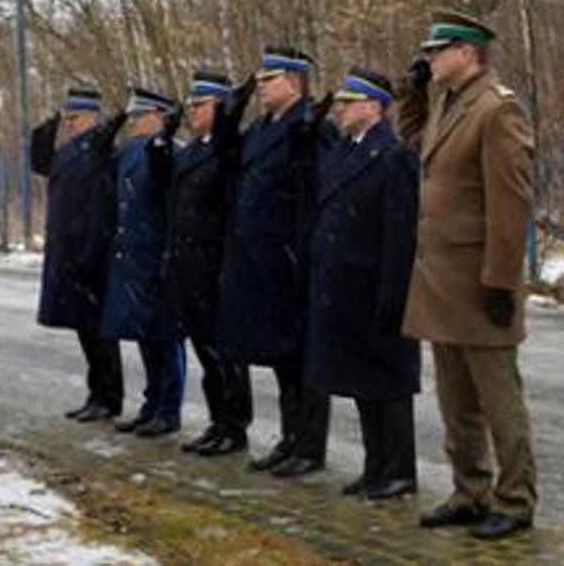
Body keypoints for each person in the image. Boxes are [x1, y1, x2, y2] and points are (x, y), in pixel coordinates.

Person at [396, 11, 538, 541]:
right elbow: (417, 145)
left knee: (500, 402)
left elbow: (511, 203)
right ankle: (470, 491)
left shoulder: (496, 110)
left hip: (480, 283)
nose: (429, 59)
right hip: (441, 283)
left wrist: (500, 281)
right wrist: (412, 95)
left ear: (467, 52)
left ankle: (516, 499)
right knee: (456, 404)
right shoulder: (447, 103)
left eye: (437, 51)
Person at [218, 46, 336, 480]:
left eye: (269, 80)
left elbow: (318, 192)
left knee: (302, 359)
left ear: (294, 81)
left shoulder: (310, 126)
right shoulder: (263, 127)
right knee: (282, 358)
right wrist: (228, 118)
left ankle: (310, 445)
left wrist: (304, 253)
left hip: (293, 260)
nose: (261, 87)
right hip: (262, 261)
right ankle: (291, 439)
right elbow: (228, 164)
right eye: (261, 81)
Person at [305, 68, 420, 502]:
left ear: (373, 107)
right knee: (362, 387)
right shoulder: (344, 152)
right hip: (346, 291)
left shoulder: (393, 156)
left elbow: (400, 236)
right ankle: (376, 467)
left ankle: (400, 471)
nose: (340, 110)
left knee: (390, 387)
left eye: (348, 103)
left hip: (377, 288)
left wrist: (395, 297)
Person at [162, 71, 252, 457]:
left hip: (215, 265)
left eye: (199, 106)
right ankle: (218, 421)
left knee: (225, 354)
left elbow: (229, 173)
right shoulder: (192, 151)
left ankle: (235, 426)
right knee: (205, 352)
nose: (191, 113)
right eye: (190, 105)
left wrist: (233, 114)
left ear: (219, 108)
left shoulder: (227, 149)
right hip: (189, 266)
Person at [29, 88, 126, 423]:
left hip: (90, 253)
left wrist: (90, 253)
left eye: (74, 118)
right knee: (86, 332)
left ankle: (109, 397)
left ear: (91, 117)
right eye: (67, 118)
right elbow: (41, 163)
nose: (69, 125)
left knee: (99, 333)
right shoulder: (70, 151)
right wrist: (45, 131)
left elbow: (100, 211)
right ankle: (96, 393)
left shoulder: (100, 150)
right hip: (69, 251)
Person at [100, 87, 186, 438]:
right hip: (133, 257)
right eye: (132, 116)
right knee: (144, 336)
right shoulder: (129, 152)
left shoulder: (168, 153)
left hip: (157, 257)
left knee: (166, 339)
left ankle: (169, 409)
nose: (133, 122)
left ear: (160, 118)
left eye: (140, 116)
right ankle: (152, 404)